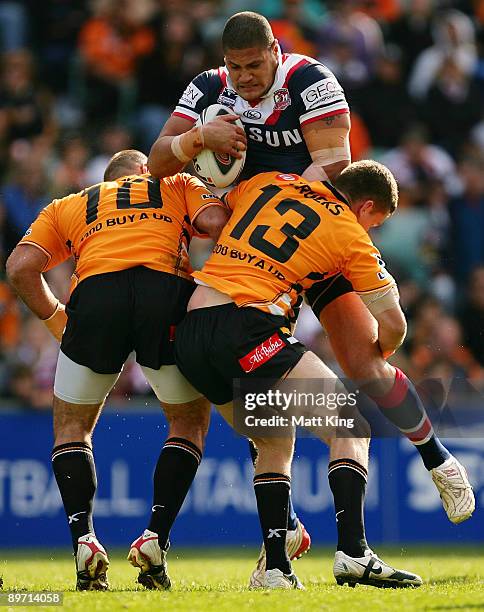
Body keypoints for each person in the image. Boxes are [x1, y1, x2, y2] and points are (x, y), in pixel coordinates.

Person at [174, 161, 474, 589]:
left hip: (193, 332)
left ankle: (275, 569)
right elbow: (395, 325)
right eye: (376, 223)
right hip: (247, 326)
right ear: (366, 206)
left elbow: (219, 214)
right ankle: (354, 552)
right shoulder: (349, 233)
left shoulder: (268, 182)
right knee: (351, 426)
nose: (372, 231)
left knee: (272, 442)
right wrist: (382, 351)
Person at [148, 8, 353, 567]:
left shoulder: (309, 81)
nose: (243, 77)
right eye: (234, 67)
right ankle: (325, 553)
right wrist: (199, 138)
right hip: (243, 277)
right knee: (286, 426)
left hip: (303, 240)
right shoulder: (208, 88)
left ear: (275, 52)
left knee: (366, 356)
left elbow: (335, 166)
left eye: (253, 65)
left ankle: (434, 458)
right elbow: (154, 165)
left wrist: (266, 199)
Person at [6, 149, 229, 591]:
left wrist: (56, 320)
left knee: (71, 427)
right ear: (145, 172)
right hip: (163, 291)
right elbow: (214, 225)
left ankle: (84, 542)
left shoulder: (68, 204)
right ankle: (154, 539)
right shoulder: (174, 184)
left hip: (95, 295)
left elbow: (19, 267)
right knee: (187, 424)